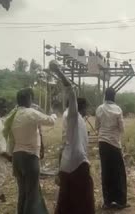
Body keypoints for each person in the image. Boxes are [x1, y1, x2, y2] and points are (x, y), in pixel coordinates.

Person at [49, 60, 95, 214]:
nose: (87, 110)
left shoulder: (69, 118)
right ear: (80, 107)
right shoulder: (73, 115)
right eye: (85, 108)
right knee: (84, 201)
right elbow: (71, 89)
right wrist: (58, 71)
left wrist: (58, 168)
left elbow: (64, 143)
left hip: (67, 163)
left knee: (66, 202)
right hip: (77, 163)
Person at [10, 88, 57, 214]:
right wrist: (53, 113)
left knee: (22, 192)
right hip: (29, 157)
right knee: (31, 193)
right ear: (27, 99)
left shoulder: (13, 113)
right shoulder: (31, 113)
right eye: (31, 98)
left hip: (17, 156)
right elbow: (51, 121)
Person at [95, 87, 129, 210]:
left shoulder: (99, 109)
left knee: (106, 172)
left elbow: (97, 126)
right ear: (114, 96)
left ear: (105, 96)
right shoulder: (118, 110)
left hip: (103, 144)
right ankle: (121, 201)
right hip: (114, 144)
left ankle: (107, 202)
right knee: (119, 173)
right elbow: (122, 129)